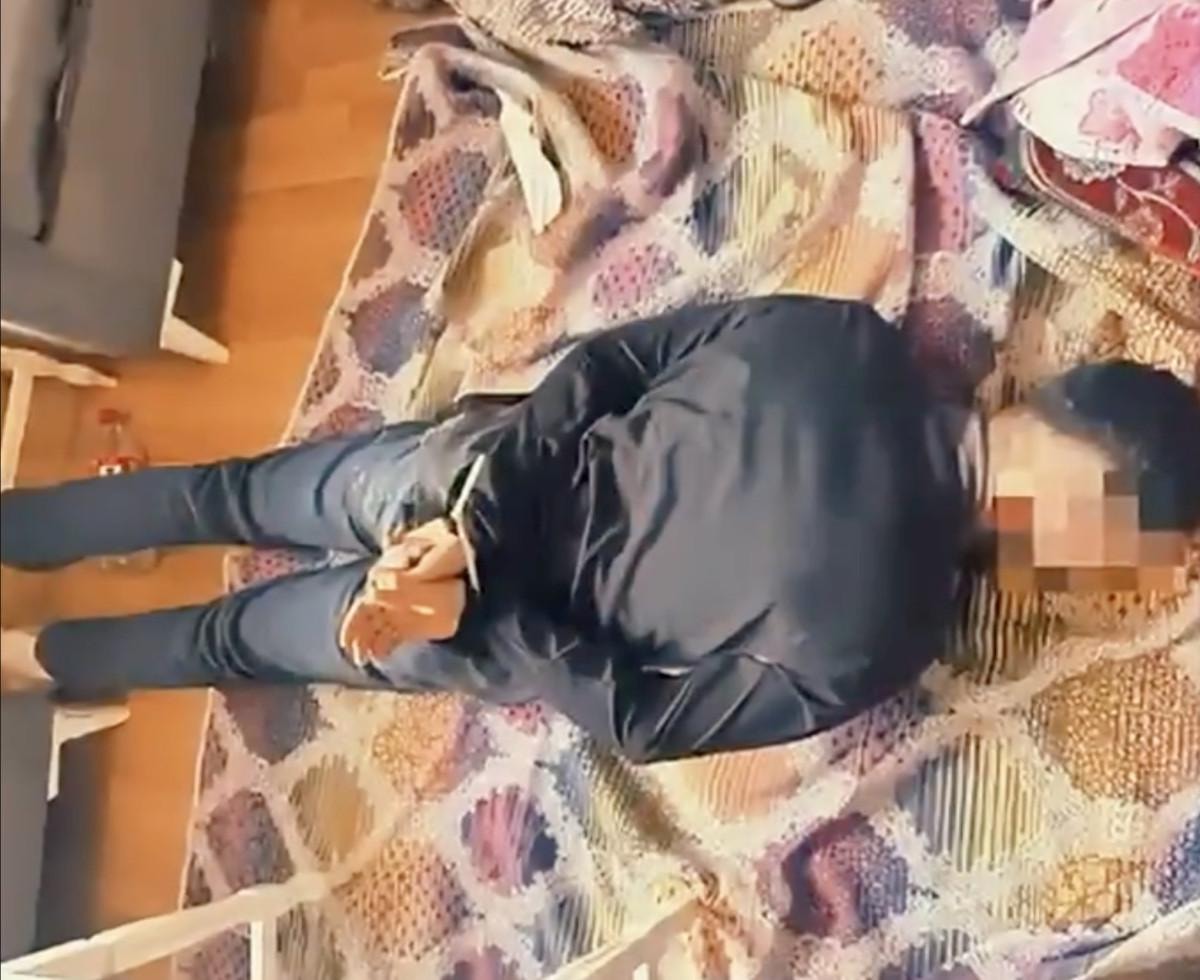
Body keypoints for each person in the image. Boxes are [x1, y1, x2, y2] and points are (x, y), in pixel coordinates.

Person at [2, 297, 1198, 762]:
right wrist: (485, 599)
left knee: (226, 492)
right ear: (1083, 514)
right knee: (228, 639)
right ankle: (29, 657)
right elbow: (639, 721)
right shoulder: (882, 639)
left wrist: (483, 511)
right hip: (463, 622)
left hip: (465, 467)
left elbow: (607, 364)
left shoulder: (847, 335)